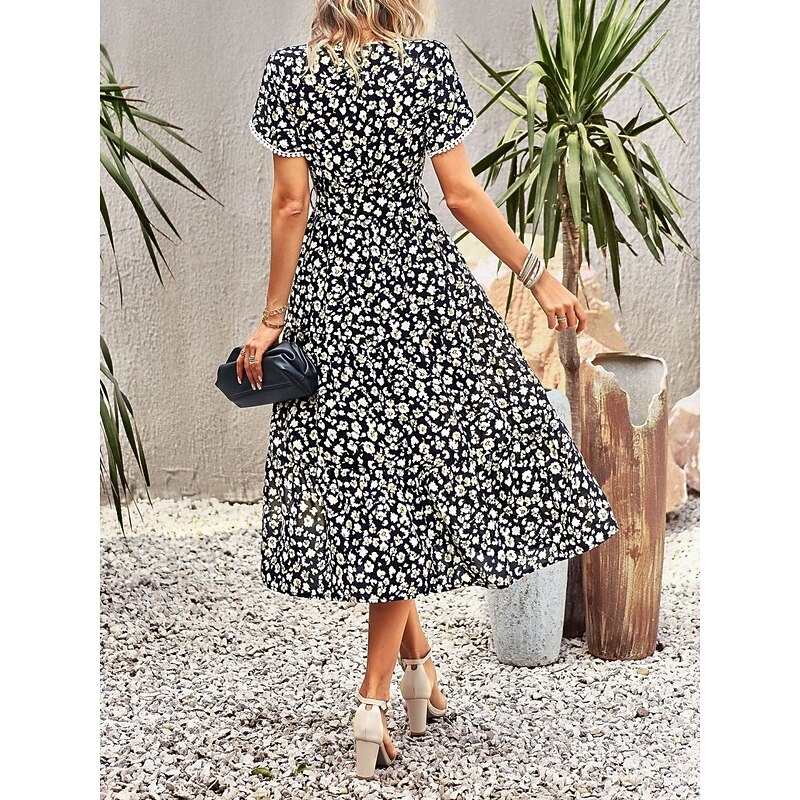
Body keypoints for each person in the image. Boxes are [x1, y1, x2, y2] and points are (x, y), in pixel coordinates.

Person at [239, 0, 620, 781]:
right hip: (420, 295)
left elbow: (290, 204)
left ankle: (419, 675)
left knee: (380, 487)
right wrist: (538, 276)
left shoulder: (289, 72)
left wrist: (272, 319)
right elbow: (460, 196)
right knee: (405, 486)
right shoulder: (426, 66)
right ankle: (375, 698)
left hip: (333, 299)